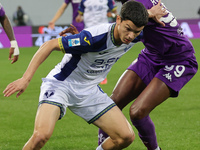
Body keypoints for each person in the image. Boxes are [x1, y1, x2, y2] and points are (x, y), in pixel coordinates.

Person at [3, 1, 149, 149]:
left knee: (126, 137)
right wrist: (25, 79)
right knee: (41, 136)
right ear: (118, 20)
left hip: (89, 91)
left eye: (136, 32)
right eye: (128, 29)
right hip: (62, 84)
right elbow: (50, 45)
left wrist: (153, 13)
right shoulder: (93, 37)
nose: (131, 36)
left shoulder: (138, 34)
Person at [97, 0, 198, 150]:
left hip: (179, 59)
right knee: (111, 105)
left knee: (138, 112)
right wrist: (149, 14)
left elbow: (119, 32)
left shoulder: (139, 3)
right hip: (152, 55)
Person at [76, 0, 118, 84]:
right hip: (88, 31)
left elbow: (115, 13)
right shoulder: (84, 1)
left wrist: (112, 14)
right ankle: (84, 76)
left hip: (103, 31)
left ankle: (102, 76)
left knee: (102, 54)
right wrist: (79, 17)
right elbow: (80, 14)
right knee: (86, 54)